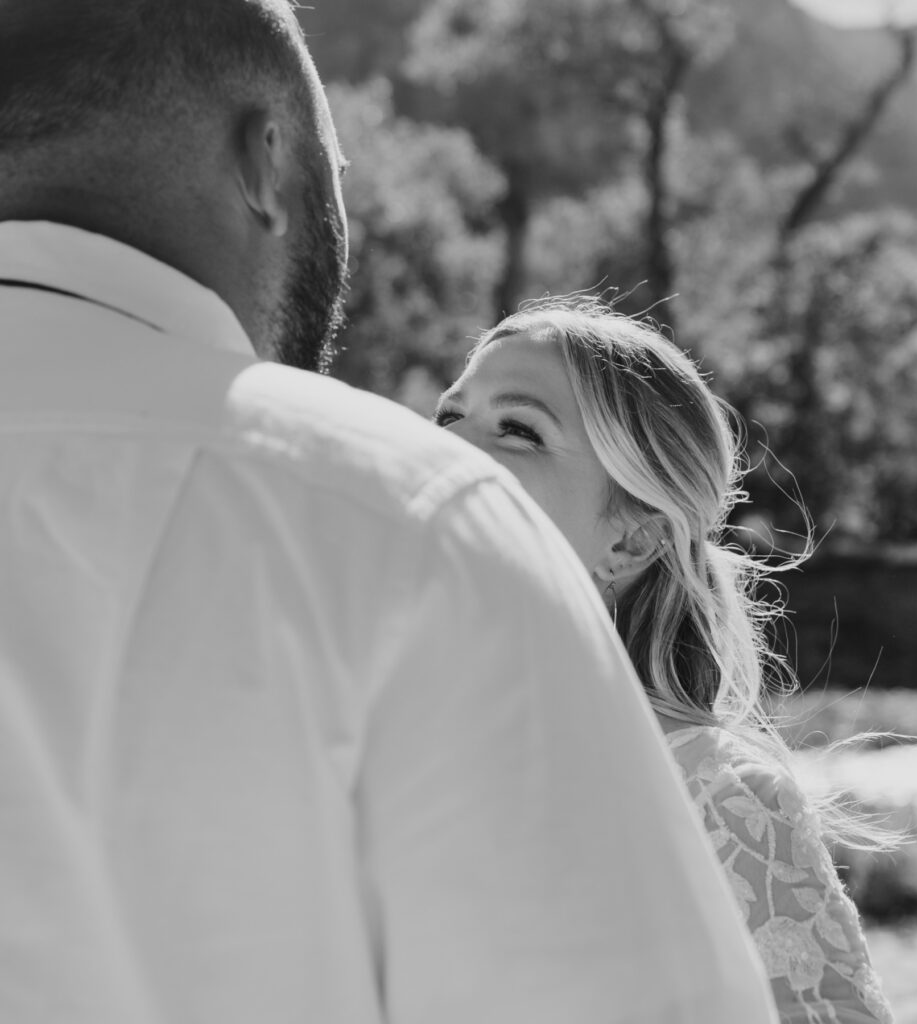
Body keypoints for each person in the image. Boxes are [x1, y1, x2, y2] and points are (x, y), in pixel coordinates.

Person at [0, 3, 779, 1023]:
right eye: (341, 180)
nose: (462, 439)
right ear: (265, 158)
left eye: (517, 426)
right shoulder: (412, 524)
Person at [435, 296, 896, 1024]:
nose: (452, 447)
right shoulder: (404, 752)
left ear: (631, 541)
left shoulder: (720, 797)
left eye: (518, 430)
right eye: (449, 416)